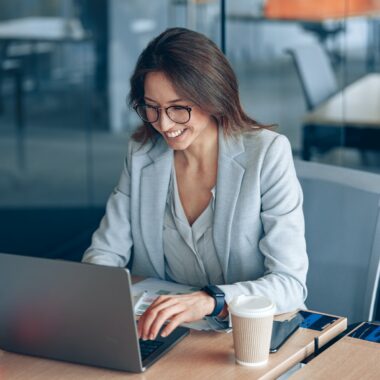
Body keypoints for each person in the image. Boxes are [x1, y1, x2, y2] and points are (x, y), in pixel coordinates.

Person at [82, 27, 308, 341]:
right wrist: (100, 295)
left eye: (178, 108)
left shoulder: (267, 154)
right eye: (151, 107)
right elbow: (105, 253)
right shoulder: (142, 155)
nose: (163, 124)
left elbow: (290, 284)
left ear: (212, 97)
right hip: (165, 334)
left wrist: (210, 301)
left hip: (248, 337)